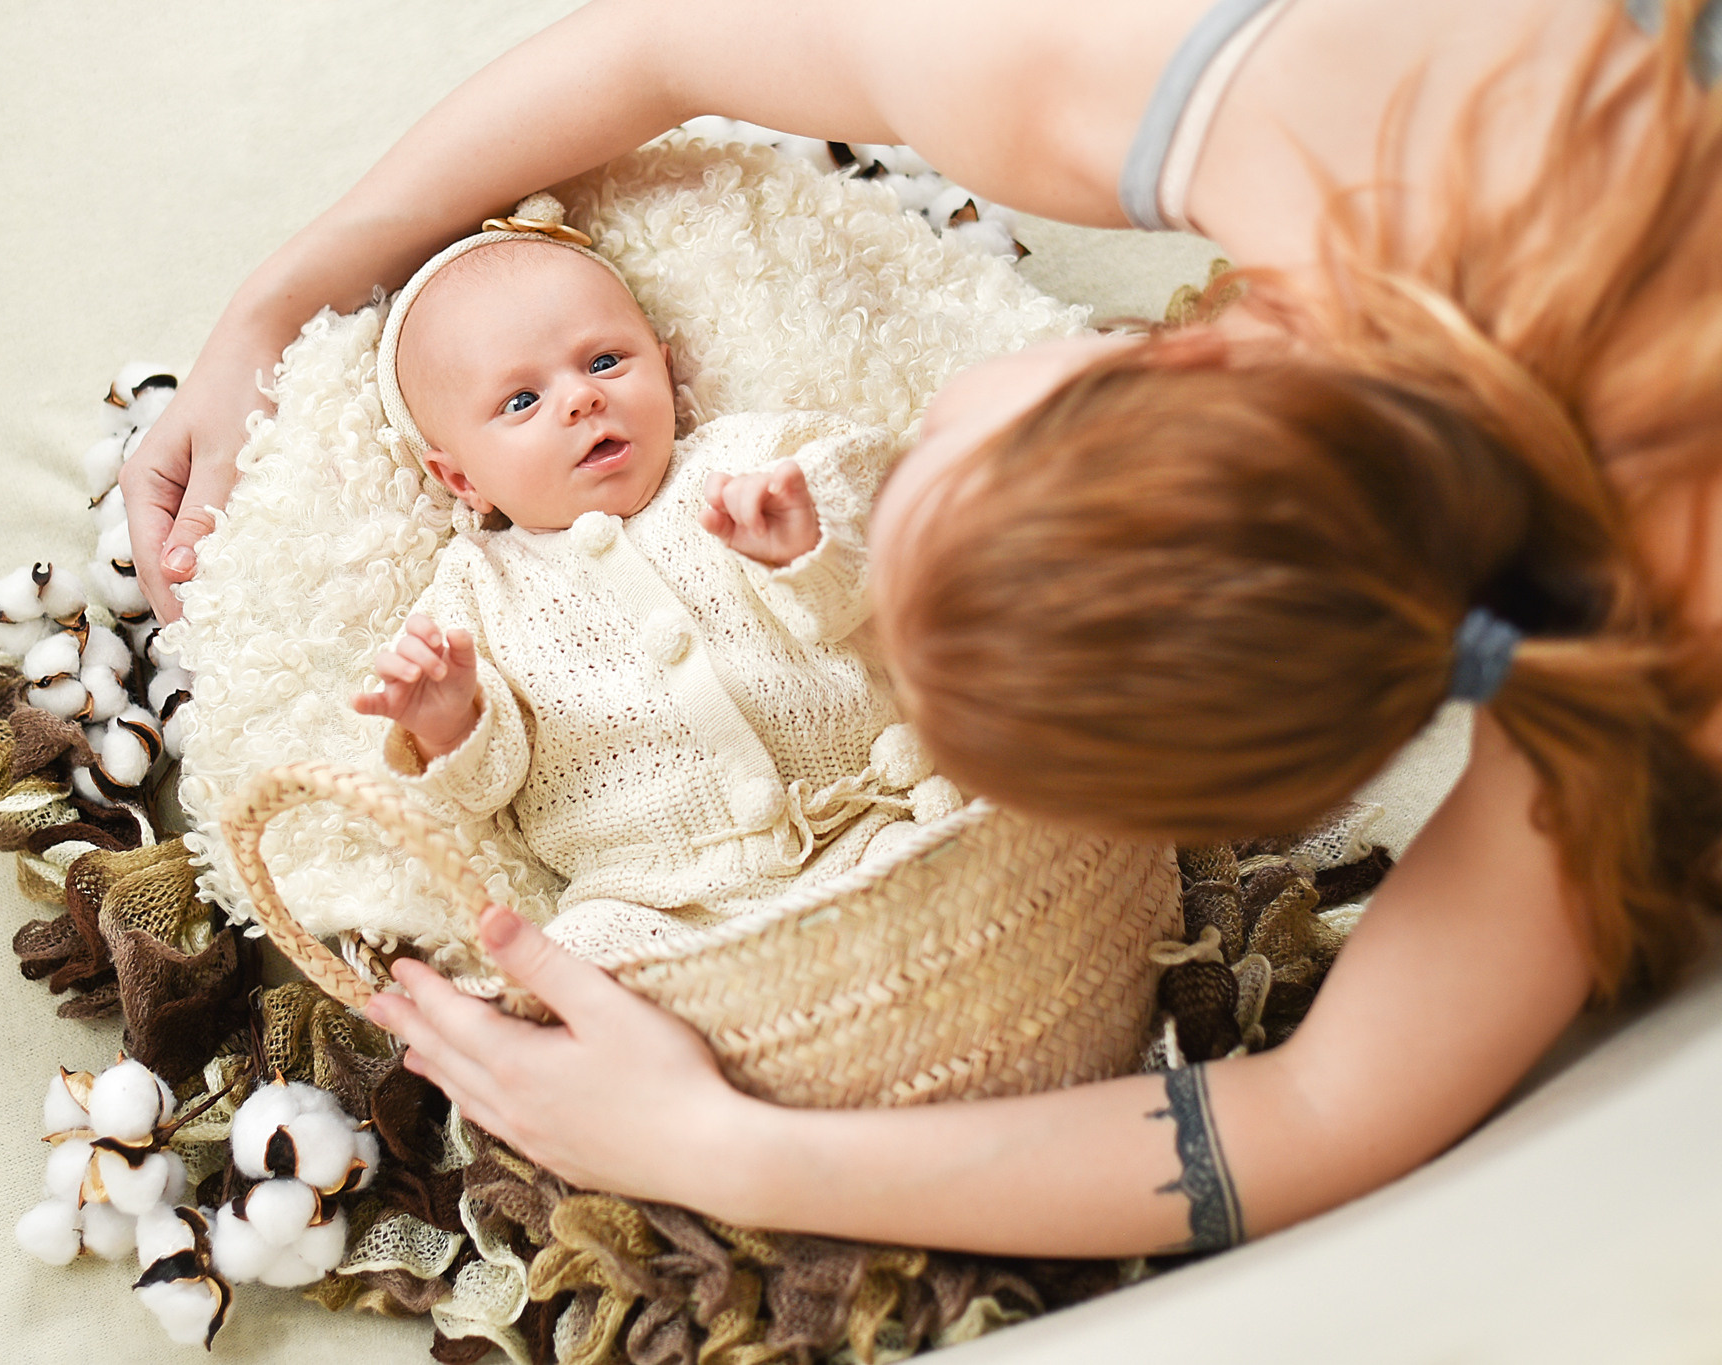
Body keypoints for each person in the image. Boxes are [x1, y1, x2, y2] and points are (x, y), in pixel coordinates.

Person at [121, 0, 1722, 1255]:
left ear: (1153, 358)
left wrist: (725, 1151)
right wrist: (284, 301)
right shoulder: (1271, 92)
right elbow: (667, 39)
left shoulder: (1659, 687)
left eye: (908, 483)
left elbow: (1314, 1121)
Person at [349, 199, 955, 956]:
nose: (581, 397)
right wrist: (448, 720)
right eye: (522, 400)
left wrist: (806, 539)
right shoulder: (476, 589)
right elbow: (485, 787)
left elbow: (887, 528)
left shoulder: (744, 461)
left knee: (966, 870)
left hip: (869, 820)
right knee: (571, 962)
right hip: (653, 900)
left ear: (665, 367)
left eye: (605, 361)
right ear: (460, 477)